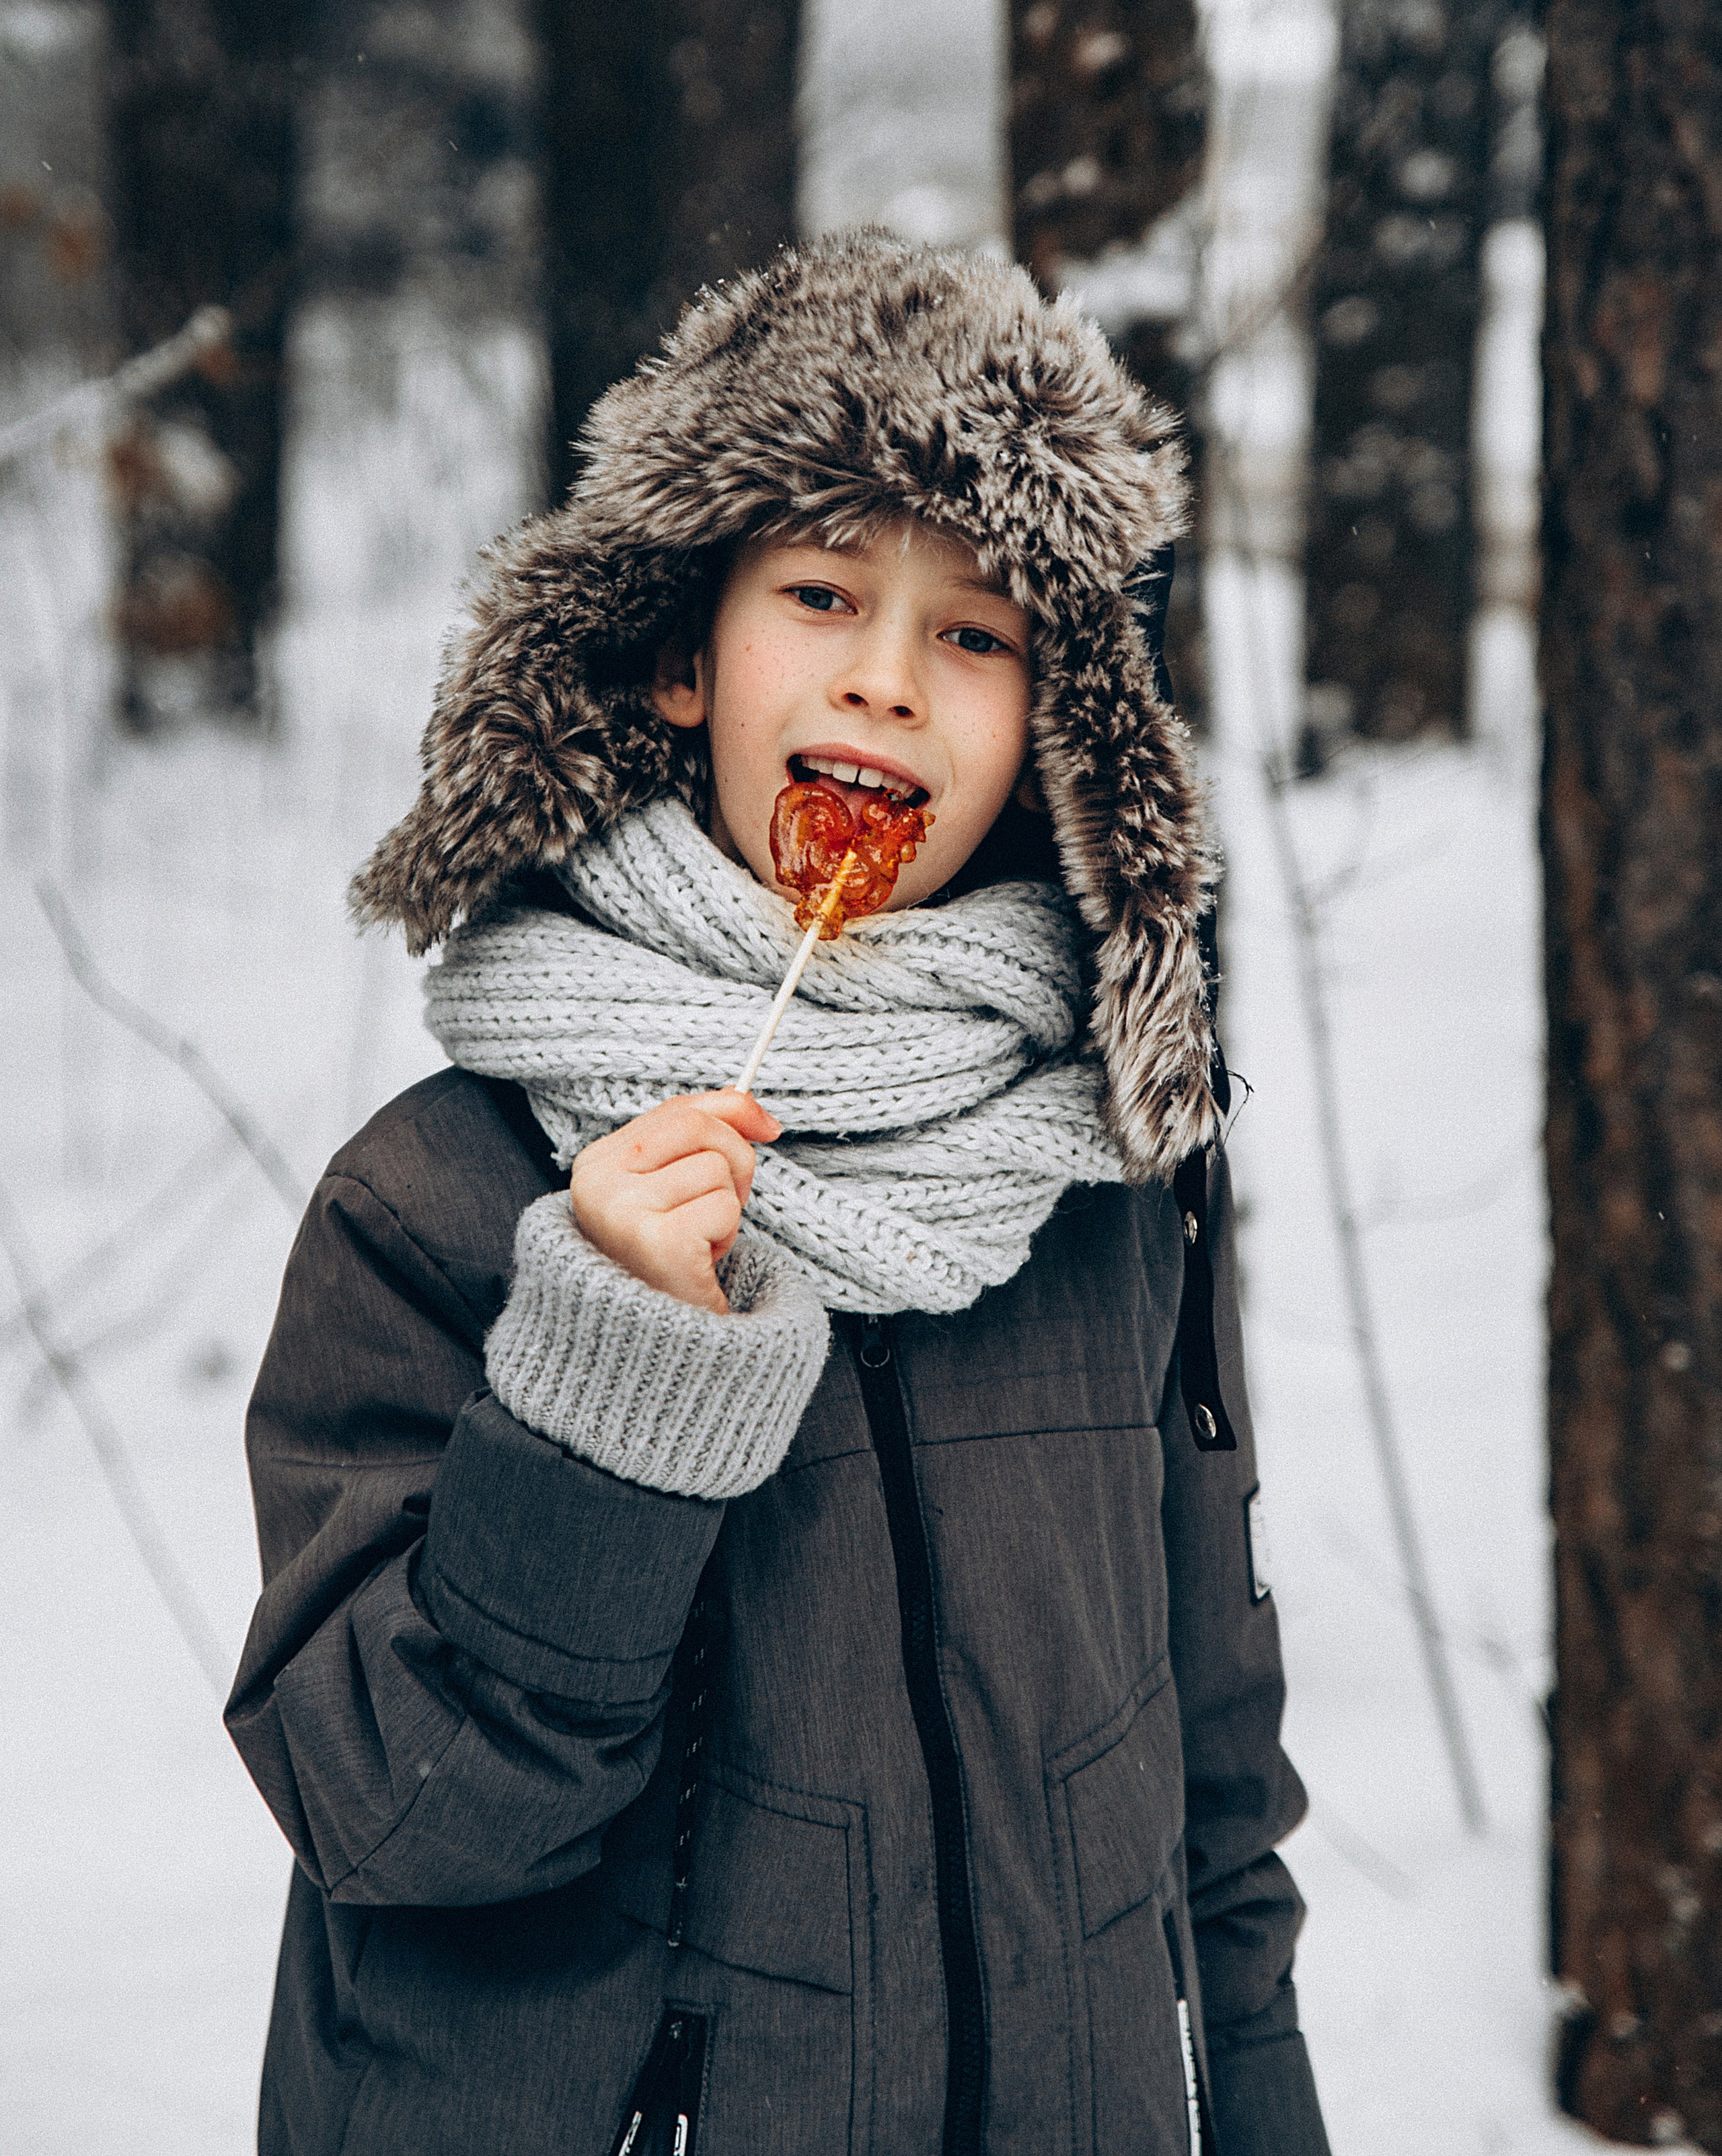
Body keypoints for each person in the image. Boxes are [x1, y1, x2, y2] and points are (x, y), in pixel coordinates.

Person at [227, 231, 1331, 2156]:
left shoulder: (1106, 1182)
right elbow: (393, 1813)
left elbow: (1212, 1785)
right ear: (677, 660)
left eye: (977, 635)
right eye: (821, 594)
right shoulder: (441, 1197)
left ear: (1055, 739)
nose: (889, 683)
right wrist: (602, 1404)